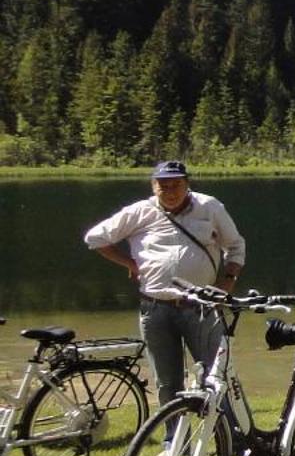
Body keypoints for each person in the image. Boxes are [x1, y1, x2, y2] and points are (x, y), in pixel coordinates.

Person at [84, 160, 246, 399]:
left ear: (187, 184)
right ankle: (173, 436)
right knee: (167, 383)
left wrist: (227, 283)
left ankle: (233, 435)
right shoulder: (139, 211)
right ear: (153, 186)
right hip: (155, 309)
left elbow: (235, 246)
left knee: (216, 376)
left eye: (176, 185)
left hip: (201, 307)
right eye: (163, 186)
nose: (170, 191)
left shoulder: (209, 207)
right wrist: (130, 263)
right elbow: (95, 238)